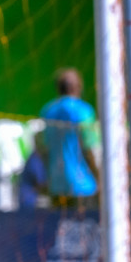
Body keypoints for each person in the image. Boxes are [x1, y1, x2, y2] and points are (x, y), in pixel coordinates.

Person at [40, 67, 99, 208]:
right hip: (83, 184)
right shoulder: (84, 111)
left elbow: (43, 149)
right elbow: (91, 149)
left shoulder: (48, 111)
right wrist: (100, 177)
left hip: (56, 185)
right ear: (78, 88)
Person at [17, 131, 50, 210]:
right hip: (28, 200)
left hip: (29, 198)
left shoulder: (36, 158)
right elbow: (41, 182)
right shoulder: (35, 160)